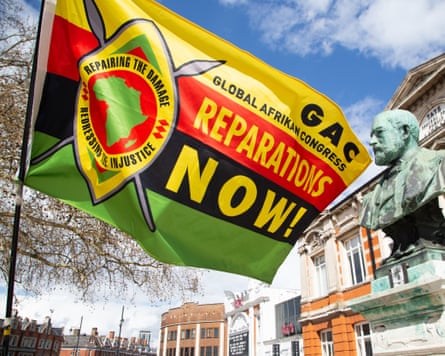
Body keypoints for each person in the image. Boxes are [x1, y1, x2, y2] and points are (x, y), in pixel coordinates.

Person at [359, 109, 445, 260]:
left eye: (379, 133)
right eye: (372, 136)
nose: (372, 142)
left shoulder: (439, 163)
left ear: (404, 132)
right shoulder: (372, 197)